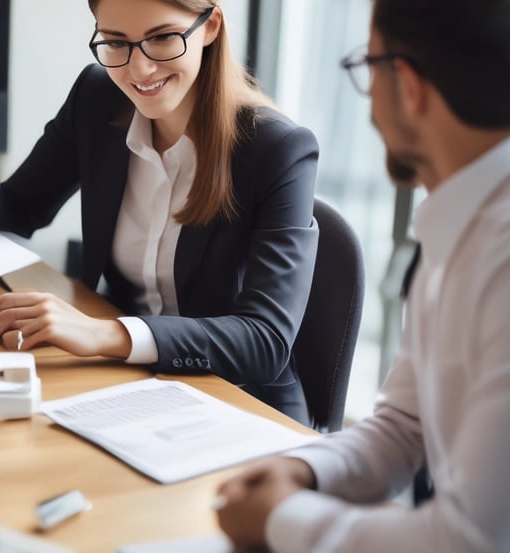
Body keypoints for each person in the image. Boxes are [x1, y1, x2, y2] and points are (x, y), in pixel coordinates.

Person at [0, 0, 319, 424]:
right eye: (116, 42)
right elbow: (22, 200)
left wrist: (103, 333)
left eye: (162, 38)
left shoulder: (276, 149)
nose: (138, 70)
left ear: (211, 26)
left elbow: (265, 340)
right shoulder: (97, 97)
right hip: (128, 384)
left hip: (238, 403)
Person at [215, 0, 510, 551]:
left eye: (366, 67)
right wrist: (300, 472)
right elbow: (404, 425)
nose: (369, 103)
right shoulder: (456, 222)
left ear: (407, 83)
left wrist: (282, 519)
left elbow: (472, 540)